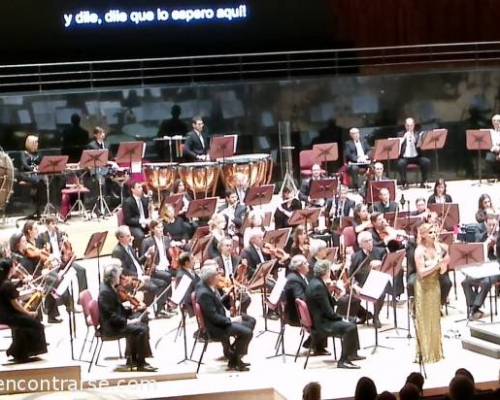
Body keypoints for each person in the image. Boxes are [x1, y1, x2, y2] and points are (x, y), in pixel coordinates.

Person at [98, 263, 157, 372]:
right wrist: (128, 321)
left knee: (141, 321)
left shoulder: (108, 288)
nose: (121, 278)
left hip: (115, 322)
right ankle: (141, 363)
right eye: (119, 276)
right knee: (141, 329)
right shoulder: (105, 292)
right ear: (113, 277)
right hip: (111, 327)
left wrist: (131, 311)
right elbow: (111, 316)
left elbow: (117, 309)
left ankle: (133, 359)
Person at [305, 260, 364, 369]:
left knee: (352, 320)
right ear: (326, 272)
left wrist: (337, 295)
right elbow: (329, 313)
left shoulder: (315, 282)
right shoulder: (318, 287)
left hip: (321, 318)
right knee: (350, 326)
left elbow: (326, 303)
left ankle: (352, 354)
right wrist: (341, 319)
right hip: (322, 324)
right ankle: (343, 360)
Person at [195, 264, 255, 371]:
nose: (219, 277)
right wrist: (231, 320)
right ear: (211, 278)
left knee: (250, 321)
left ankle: (232, 353)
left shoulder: (204, 285)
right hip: (215, 328)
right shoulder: (204, 293)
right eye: (217, 275)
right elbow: (214, 317)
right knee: (247, 332)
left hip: (220, 320)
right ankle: (235, 359)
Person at [111, 225, 170, 318]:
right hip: (132, 280)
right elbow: (123, 271)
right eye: (128, 235)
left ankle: (159, 309)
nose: (131, 237)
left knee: (162, 283)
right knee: (154, 287)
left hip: (141, 275)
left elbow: (137, 262)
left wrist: (147, 254)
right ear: (121, 238)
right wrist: (139, 277)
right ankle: (146, 310)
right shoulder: (117, 251)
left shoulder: (129, 247)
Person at [0, 258, 48, 363]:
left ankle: (16, 350)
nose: (15, 268)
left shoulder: (3, 282)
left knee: (29, 322)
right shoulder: (7, 285)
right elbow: (15, 304)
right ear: (10, 269)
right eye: (14, 266)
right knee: (37, 324)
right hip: (9, 316)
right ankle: (22, 352)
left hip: (4, 314)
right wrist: (28, 313)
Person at [414, 223, 449, 363]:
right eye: (430, 233)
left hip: (435, 285)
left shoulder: (439, 247)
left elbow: (443, 270)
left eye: (434, 232)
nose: (434, 235)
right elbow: (421, 273)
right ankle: (424, 354)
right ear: (423, 235)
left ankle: (436, 353)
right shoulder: (419, 251)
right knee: (424, 319)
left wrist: (443, 265)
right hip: (423, 287)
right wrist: (437, 264)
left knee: (435, 318)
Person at [283, 255, 328, 355]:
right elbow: (300, 297)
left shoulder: (300, 276)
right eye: (305, 263)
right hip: (297, 314)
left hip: (302, 310)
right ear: (299, 266)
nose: (308, 265)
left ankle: (314, 343)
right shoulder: (293, 279)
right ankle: (316, 345)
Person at [35, 216, 88, 296]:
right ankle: (64, 302)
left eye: (56, 223)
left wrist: (67, 247)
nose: (55, 225)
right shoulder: (41, 237)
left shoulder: (60, 234)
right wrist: (47, 252)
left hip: (64, 261)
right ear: (47, 225)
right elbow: (39, 253)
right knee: (59, 279)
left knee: (81, 270)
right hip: (52, 264)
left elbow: (69, 248)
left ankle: (82, 297)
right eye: (53, 224)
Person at [349, 231, 387, 328]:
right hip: (362, 284)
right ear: (361, 244)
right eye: (366, 241)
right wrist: (355, 286)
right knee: (348, 294)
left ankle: (376, 316)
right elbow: (351, 275)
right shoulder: (355, 257)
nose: (370, 243)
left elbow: (387, 267)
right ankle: (363, 314)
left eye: (371, 240)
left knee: (381, 293)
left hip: (377, 281)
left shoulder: (381, 251)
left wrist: (380, 263)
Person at [396, 117, 430, 189]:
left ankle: (424, 182)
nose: (409, 127)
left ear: (414, 125)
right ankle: (404, 183)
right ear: (405, 126)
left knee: (426, 161)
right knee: (400, 163)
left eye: (411, 125)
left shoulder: (418, 134)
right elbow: (397, 146)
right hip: (405, 157)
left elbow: (421, 147)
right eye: (407, 125)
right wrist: (403, 138)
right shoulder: (400, 134)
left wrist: (415, 140)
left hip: (416, 157)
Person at [19, 134, 45, 218]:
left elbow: (42, 164)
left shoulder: (38, 154)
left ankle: (38, 207)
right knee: (39, 181)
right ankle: (37, 208)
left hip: (36, 175)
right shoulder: (23, 153)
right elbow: (24, 165)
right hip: (26, 174)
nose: (37, 144)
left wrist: (39, 168)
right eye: (35, 143)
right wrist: (33, 169)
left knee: (41, 181)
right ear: (31, 143)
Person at [122, 182, 151, 250]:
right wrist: (142, 221)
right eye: (138, 187)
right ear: (132, 189)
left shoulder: (145, 200)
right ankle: (142, 257)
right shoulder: (127, 202)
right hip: (134, 226)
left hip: (145, 225)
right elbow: (128, 220)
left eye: (141, 187)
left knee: (158, 229)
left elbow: (147, 214)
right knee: (140, 236)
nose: (141, 189)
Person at [175, 252, 200, 317]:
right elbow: (186, 296)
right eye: (192, 259)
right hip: (192, 303)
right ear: (186, 263)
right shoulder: (181, 276)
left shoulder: (190, 271)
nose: (194, 260)